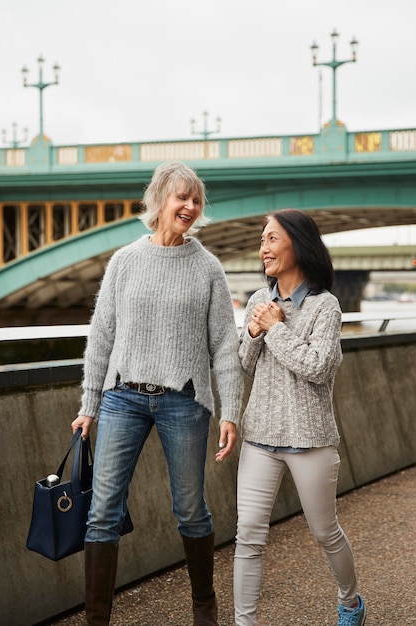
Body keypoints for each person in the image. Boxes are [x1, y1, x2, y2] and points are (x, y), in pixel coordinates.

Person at [71, 160, 243, 626]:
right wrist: (90, 405)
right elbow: (101, 336)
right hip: (122, 398)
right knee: (102, 511)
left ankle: (204, 604)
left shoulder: (207, 267)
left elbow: (225, 347)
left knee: (189, 510)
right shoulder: (124, 261)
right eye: (180, 197)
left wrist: (231, 411)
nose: (189, 206)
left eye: (195, 199)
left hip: (184, 402)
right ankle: (96, 619)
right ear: (160, 201)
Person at [234, 209, 366, 626]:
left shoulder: (326, 306)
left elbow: (318, 367)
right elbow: (244, 363)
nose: (263, 248)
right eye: (262, 240)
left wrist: (275, 329)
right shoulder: (258, 300)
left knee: (326, 532)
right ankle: (244, 622)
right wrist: (254, 334)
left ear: (298, 242)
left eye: (272, 238)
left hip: (310, 438)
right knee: (249, 537)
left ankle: (350, 603)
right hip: (260, 437)